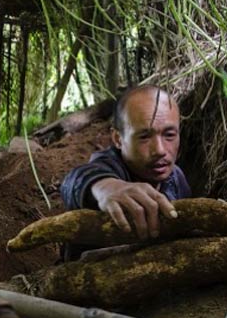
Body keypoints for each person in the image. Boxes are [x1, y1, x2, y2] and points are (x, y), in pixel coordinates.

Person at [60, 85, 191, 260]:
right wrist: (105, 188)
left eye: (169, 135)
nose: (160, 150)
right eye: (144, 137)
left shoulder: (177, 178)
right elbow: (76, 179)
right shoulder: (109, 165)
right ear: (118, 139)